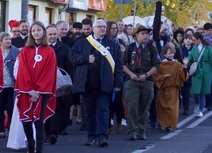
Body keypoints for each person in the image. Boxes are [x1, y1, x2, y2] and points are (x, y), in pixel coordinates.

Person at [70, 19, 124, 147]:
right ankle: (91, 136)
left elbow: (119, 66)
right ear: (93, 28)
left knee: (103, 111)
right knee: (88, 112)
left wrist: (118, 83)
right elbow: (72, 57)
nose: (102, 29)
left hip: (104, 84)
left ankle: (102, 137)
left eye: (104, 27)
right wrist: (85, 58)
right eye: (99, 26)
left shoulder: (113, 44)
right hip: (86, 83)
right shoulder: (81, 43)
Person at [15, 21, 57, 153]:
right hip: (27, 90)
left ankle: (39, 150)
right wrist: (29, 90)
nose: (36, 33)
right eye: (33, 30)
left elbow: (49, 73)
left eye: (38, 30)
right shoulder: (25, 51)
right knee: (26, 120)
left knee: (39, 121)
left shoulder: (50, 51)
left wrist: (38, 91)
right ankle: (31, 145)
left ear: (43, 32)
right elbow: (23, 71)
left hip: (42, 92)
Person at [123, 24, 160, 141]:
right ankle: (132, 130)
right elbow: (123, 64)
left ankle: (141, 130)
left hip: (147, 80)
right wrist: (131, 74)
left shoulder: (151, 48)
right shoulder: (130, 48)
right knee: (133, 105)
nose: (145, 36)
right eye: (142, 34)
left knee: (144, 107)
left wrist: (146, 75)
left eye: (147, 34)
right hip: (133, 79)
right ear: (136, 35)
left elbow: (157, 65)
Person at [45, 24, 73, 144]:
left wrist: (69, 82)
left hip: (59, 83)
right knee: (46, 108)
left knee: (57, 108)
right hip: (44, 83)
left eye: (54, 34)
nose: (52, 37)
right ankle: (46, 132)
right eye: (50, 34)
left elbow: (69, 66)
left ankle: (53, 133)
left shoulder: (64, 48)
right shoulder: (42, 47)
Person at [154, 44, 188, 132]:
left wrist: (184, 67)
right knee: (162, 108)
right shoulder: (161, 65)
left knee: (173, 109)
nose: (171, 55)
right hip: (163, 89)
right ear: (164, 54)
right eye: (169, 53)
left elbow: (182, 76)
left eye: (172, 53)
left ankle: (169, 124)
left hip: (173, 89)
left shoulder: (177, 64)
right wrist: (163, 76)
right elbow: (156, 76)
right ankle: (162, 123)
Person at [188, 32, 212, 118]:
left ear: (199, 39)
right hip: (196, 71)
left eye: (194, 40)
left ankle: (200, 109)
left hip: (205, 71)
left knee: (202, 92)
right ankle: (197, 103)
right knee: (195, 91)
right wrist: (186, 66)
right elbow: (189, 60)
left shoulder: (208, 48)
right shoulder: (194, 49)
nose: (193, 42)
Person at [0, 32, 20, 138]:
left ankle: (11, 127)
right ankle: (1, 129)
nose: (8, 41)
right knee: (0, 107)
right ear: (0, 41)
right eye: (6, 39)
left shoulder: (15, 52)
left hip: (11, 83)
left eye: (9, 39)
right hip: (0, 83)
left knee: (10, 106)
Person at [180, 33, 194, 115]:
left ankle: (187, 107)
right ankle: (184, 106)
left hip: (192, 70)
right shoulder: (180, 49)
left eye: (189, 39)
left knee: (187, 90)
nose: (188, 40)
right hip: (182, 71)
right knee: (184, 89)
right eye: (186, 39)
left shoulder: (194, 49)